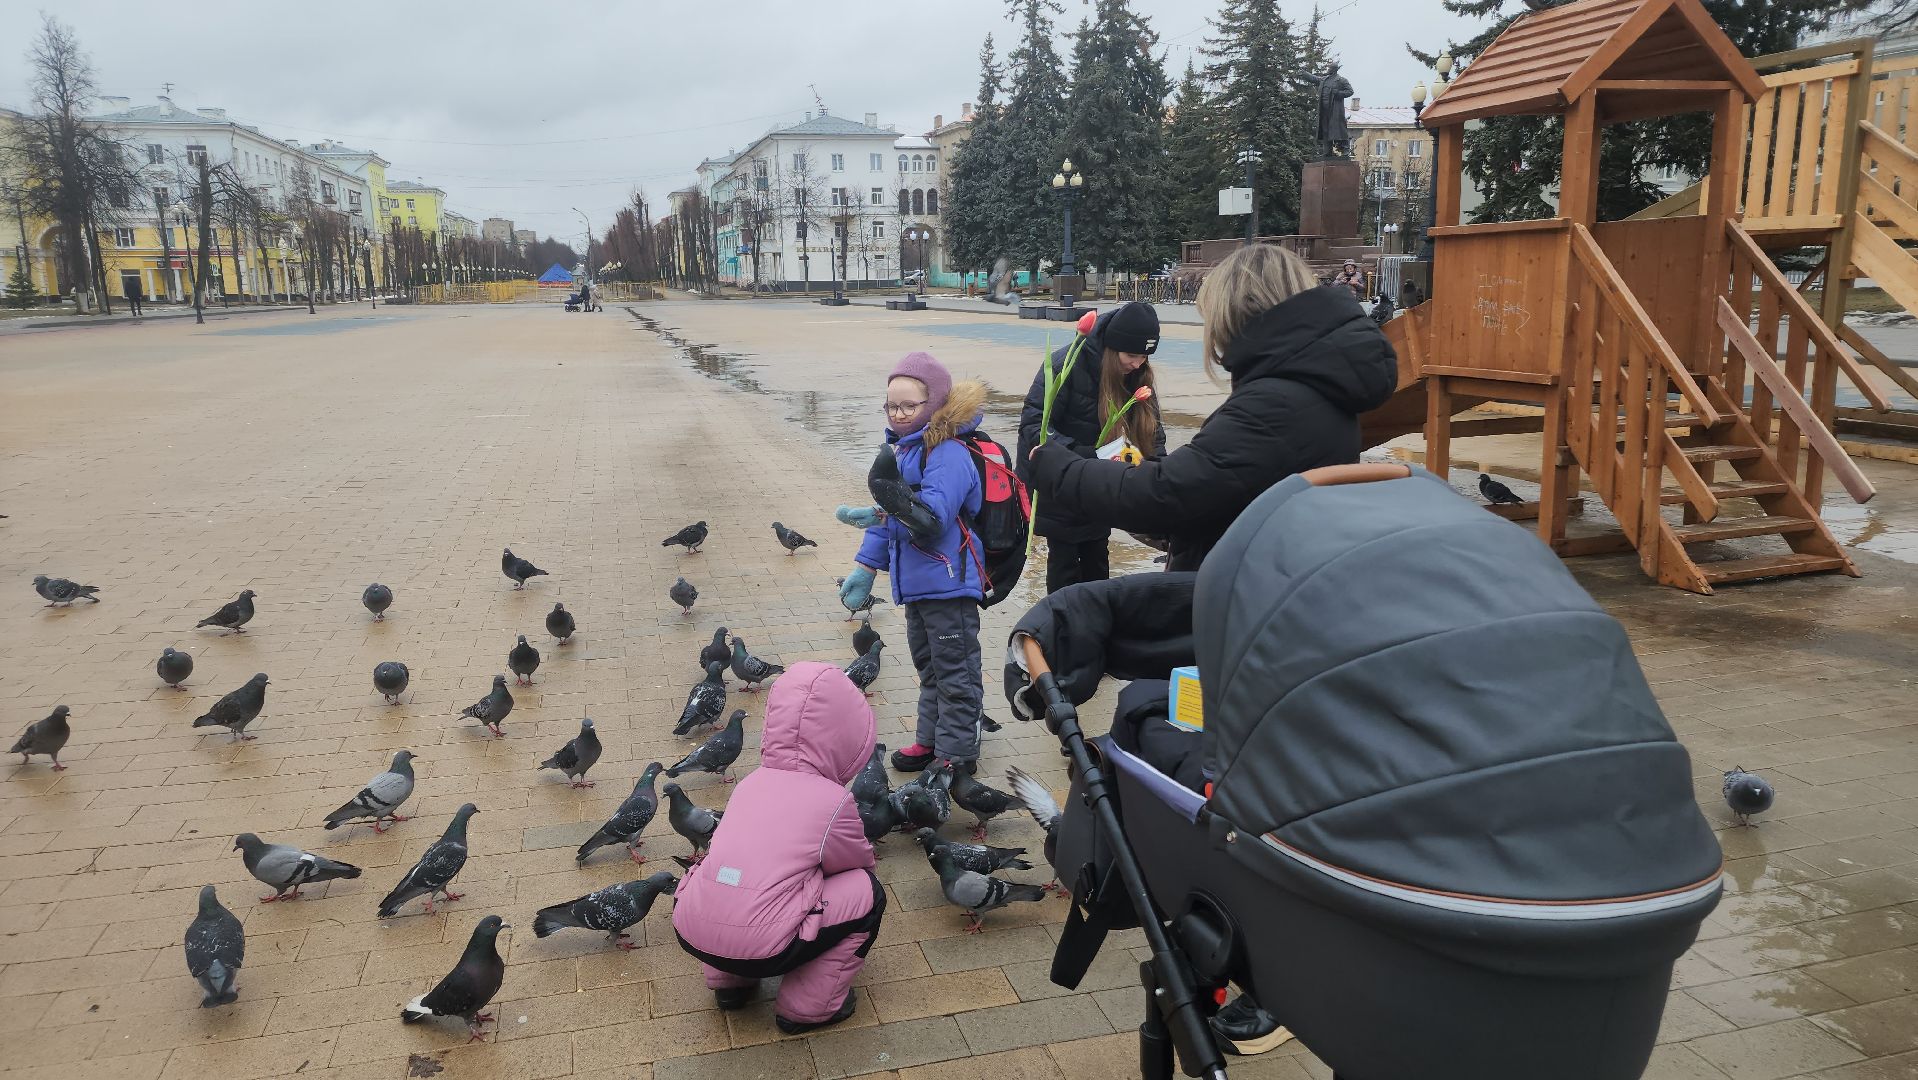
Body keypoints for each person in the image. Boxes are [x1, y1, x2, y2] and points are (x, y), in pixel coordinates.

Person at [1025, 243, 1398, 573]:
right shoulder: (1313, 384)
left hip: (1246, 598)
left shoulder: (1276, 404)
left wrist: (1062, 467)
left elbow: (1166, 493)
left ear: (1237, 315)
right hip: (1270, 578)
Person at [671, 663, 880, 1034]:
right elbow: (854, 864)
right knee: (867, 893)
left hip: (692, 929)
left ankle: (730, 985)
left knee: (733, 876)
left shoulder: (749, 784)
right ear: (846, 733)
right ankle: (807, 1008)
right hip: (765, 945)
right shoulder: (832, 799)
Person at [836, 352, 988, 775]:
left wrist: (889, 500)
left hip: (949, 583)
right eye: (891, 405)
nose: (899, 414)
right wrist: (864, 569)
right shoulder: (904, 453)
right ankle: (930, 741)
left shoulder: (948, 453)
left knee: (956, 672)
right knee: (929, 669)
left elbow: (933, 519)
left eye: (909, 405)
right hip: (918, 586)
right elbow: (888, 527)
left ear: (935, 404)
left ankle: (957, 754)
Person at [1016, 301, 1167, 594]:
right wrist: (1087, 458)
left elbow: (1153, 433)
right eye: (1132, 355)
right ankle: (1060, 630)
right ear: (1112, 347)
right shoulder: (1067, 365)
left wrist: (1160, 477)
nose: (1138, 363)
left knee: (1098, 557)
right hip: (1062, 481)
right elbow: (1034, 428)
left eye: (1145, 356)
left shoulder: (1136, 375)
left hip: (1100, 482)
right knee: (1066, 563)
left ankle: (1097, 626)